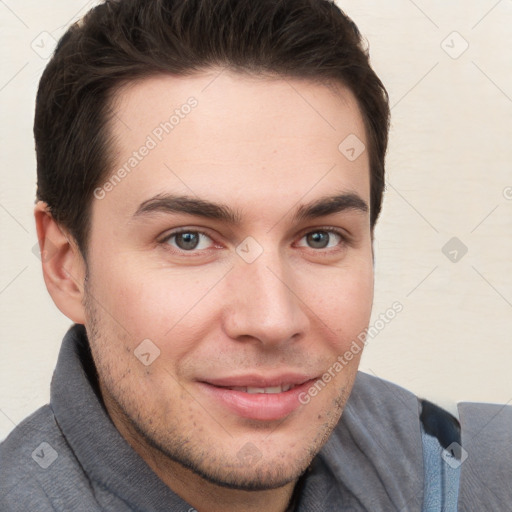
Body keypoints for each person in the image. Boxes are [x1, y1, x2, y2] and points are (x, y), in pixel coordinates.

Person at [0, 0, 510, 510]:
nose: (271, 320)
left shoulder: (475, 475)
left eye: (319, 237)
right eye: (189, 239)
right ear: (66, 266)